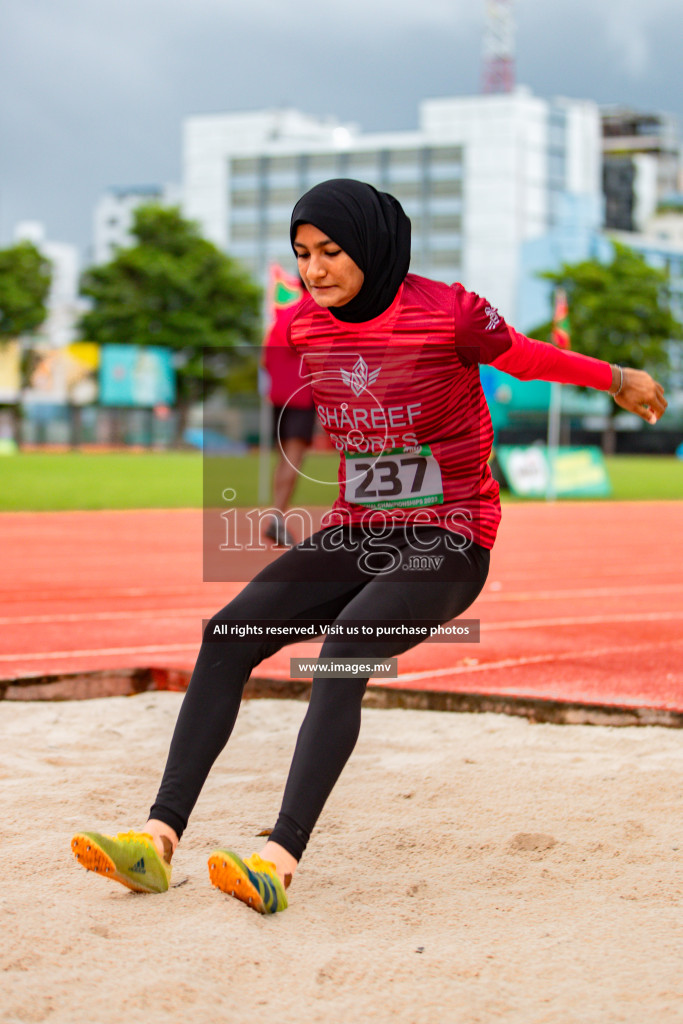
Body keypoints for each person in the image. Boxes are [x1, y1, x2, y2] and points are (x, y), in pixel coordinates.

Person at [71, 179, 667, 914]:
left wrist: (617, 378)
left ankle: (278, 859)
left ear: (373, 246)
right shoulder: (301, 324)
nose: (314, 270)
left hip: (448, 537)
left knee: (346, 646)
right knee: (227, 634)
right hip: (356, 530)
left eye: (329, 252)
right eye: (300, 255)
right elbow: (287, 399)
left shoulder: (449, 312)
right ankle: (157, 840)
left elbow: (523, 358)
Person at [261, 278, 316, 547]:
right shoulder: (319, 312)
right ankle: (276, 519)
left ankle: (276, 514)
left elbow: (264, 358)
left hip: (278, 396)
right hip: (301, 395)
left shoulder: (284, 313)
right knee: (293, 459)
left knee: (284, 459)